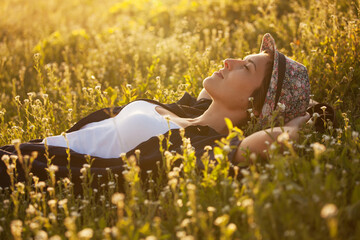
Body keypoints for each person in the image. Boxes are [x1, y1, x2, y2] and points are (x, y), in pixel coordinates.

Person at [0, 33, 311, 192]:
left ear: (255, 106)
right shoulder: (195, 110)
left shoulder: (201, 149)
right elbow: (210, 96)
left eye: (246, 67)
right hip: (23, 150)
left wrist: (298, 118)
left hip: (24, 174)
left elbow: (275, 139)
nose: (228, 61)